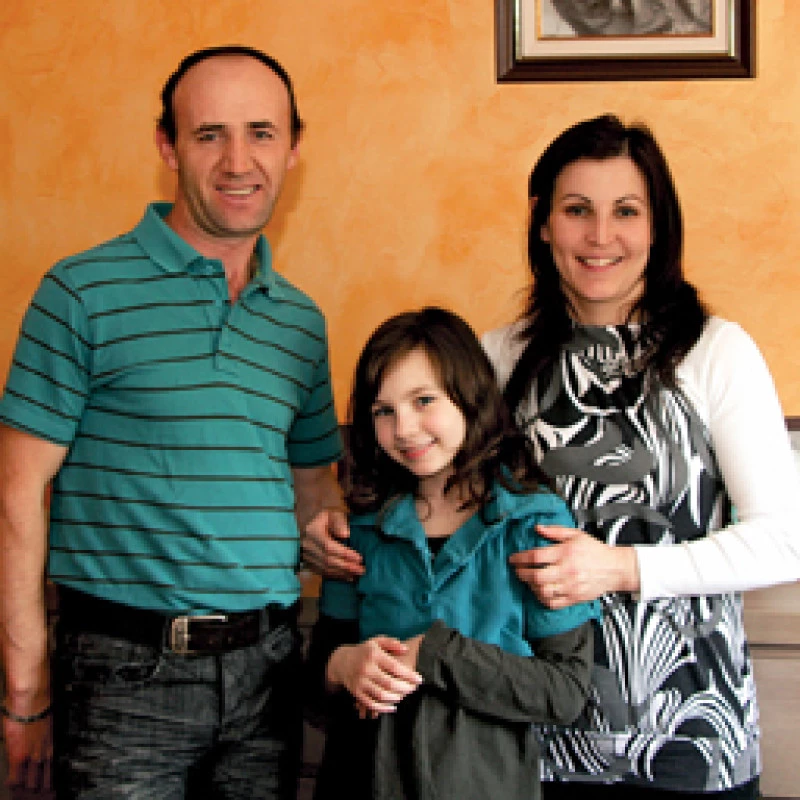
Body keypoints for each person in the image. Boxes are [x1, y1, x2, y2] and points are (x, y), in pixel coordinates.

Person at [0, 45, 347, 799]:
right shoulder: (81, 291)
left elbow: (311, 489)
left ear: (294, 148)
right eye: (208, 133)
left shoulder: (300, 324)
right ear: (168, 147)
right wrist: (24, 694)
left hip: (270, 676)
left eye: (261, 132)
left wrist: (336, 533)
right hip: (124, 678)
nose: (237, 160)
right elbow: (15, 495)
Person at [481, 114, 800, 798]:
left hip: (690, 740)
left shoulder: (716, 352)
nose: (601, 237)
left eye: (626, 211)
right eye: (577, 211)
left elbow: (784, 540)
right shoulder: (495, 360)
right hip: (528, 742)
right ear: (543, 225)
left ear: (658, 228)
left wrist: (622, 567)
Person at [306, 307, 599, 800]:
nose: (404, 429)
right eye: (384, 411)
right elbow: (314, 684)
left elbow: (565, 693)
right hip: (358, 779)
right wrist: (342, 666)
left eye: (423, 401)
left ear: (470, 396)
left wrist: (441, 655)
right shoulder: (360, 528)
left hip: (486, 782)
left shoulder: (533, 523)